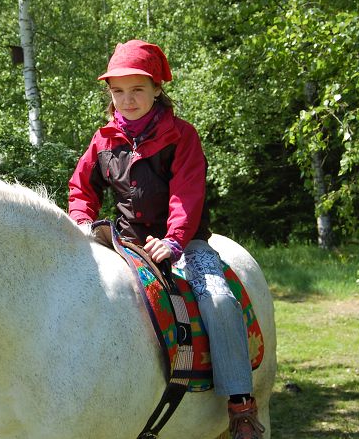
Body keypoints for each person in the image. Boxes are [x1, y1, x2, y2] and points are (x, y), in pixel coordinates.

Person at [68, 39, 265, 439]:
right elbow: (81, 188)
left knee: (219, 300)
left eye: (137, 89)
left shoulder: (182, 136)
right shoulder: (103, 139)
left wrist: (173, 240)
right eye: (118, 91)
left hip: (185, 243)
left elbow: (186, 195)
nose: (127, 100)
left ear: (157, 89)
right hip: (124, 244)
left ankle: (241, 404)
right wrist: (83, 222)